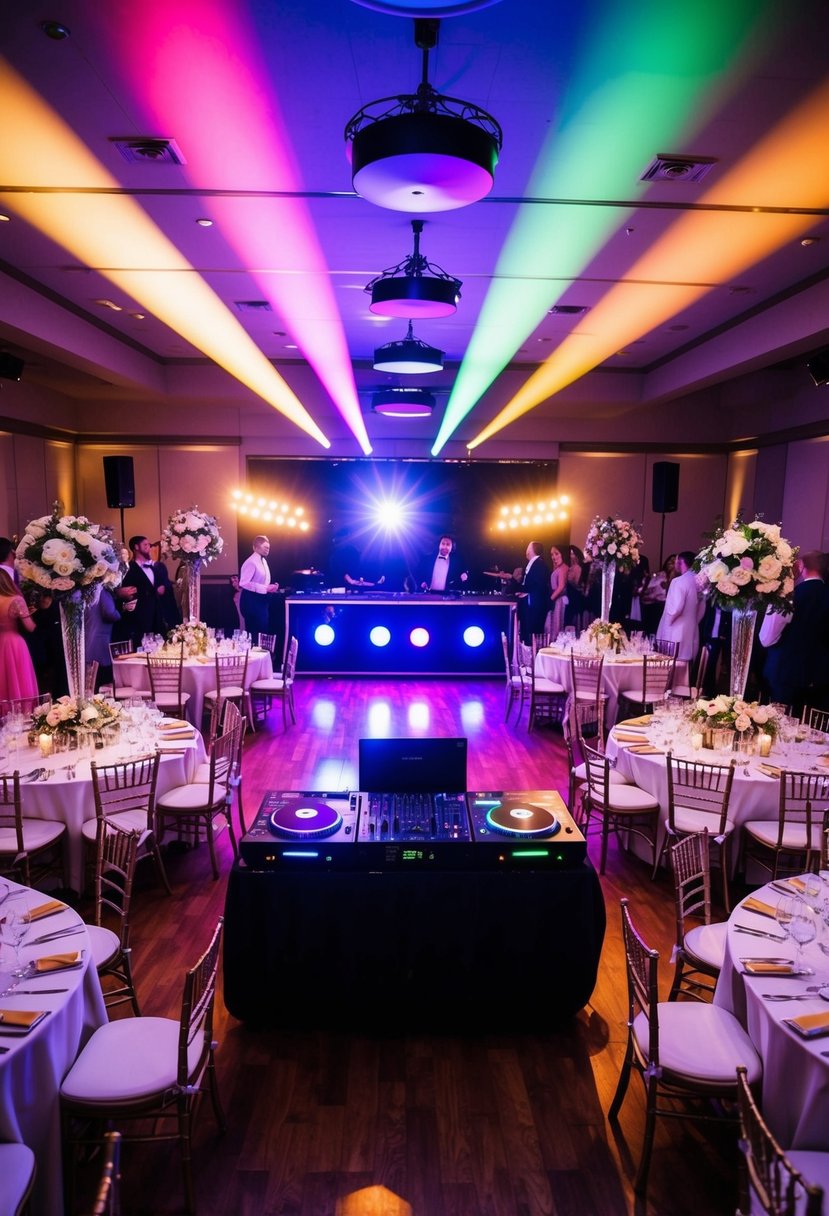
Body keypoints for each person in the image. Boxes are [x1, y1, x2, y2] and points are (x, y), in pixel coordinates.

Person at [760, 550, 829, 713]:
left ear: (802, 566)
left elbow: (767, 638)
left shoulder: (789, 595)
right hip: (820, 674)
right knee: (811, 726)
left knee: (782, 723)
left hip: (785, 670)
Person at [111, 535, 166, 647]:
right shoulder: (128, 569)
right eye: (145, 545)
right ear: (136, 547)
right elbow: (120, 591)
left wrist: (161, 589)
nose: (149, 547)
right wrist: (120, 593)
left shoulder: (154, 568)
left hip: (155, 614)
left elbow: (161, 588)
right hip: (138, 617)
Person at [656, 550, 704, 662]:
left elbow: (675, 609)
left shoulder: (678, 581)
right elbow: (702, 607)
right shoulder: (699, 581)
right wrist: (694, 622)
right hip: (691, 629)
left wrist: (666, 626)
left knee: (672, 664)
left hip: (676, 631)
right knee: (686, 664)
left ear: (680, 562)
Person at [0, 568, 39, 704]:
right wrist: (31, 614)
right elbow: (30, 627)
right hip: (14, 643)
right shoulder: (16, 600)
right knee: (19, 680)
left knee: (4, 682)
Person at [239, 535, 280, 641]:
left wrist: (271, 587)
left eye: (269, 548)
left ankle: (264, 655)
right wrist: (265, 588)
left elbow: (262, 581)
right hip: (251, 600)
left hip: (262, 600)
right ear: (256, 547)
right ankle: (255, 655)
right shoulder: (251, 562)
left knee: (263, 629)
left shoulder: (264, 561)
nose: (268, 550)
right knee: (255, 631)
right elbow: (243, 583)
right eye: (265, 547)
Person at [85, 584, 121, 691]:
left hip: (90, 639)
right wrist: (121, 612)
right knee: (102, 682)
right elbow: (110, 613)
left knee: (91, 681)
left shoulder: (88, 590)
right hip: (100, 642)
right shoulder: (102, 591)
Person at [516, 541, 550, 645]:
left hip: (534, 604)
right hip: (528, 602)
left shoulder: (539, 564)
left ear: (531, 550)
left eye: (528, 547)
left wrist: (526, 592)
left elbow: (539, 585)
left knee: (531, 631)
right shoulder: (533, 563)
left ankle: (531, 655)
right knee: (526, 630)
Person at [545, 546, 568, 636]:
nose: (554, 557)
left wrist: (551, 599)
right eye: (552, 554)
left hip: (559, 599)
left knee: (557, 626)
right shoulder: (559, 567)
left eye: (556, 553)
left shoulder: (563, 568)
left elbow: (561, 586)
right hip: (556, 597)